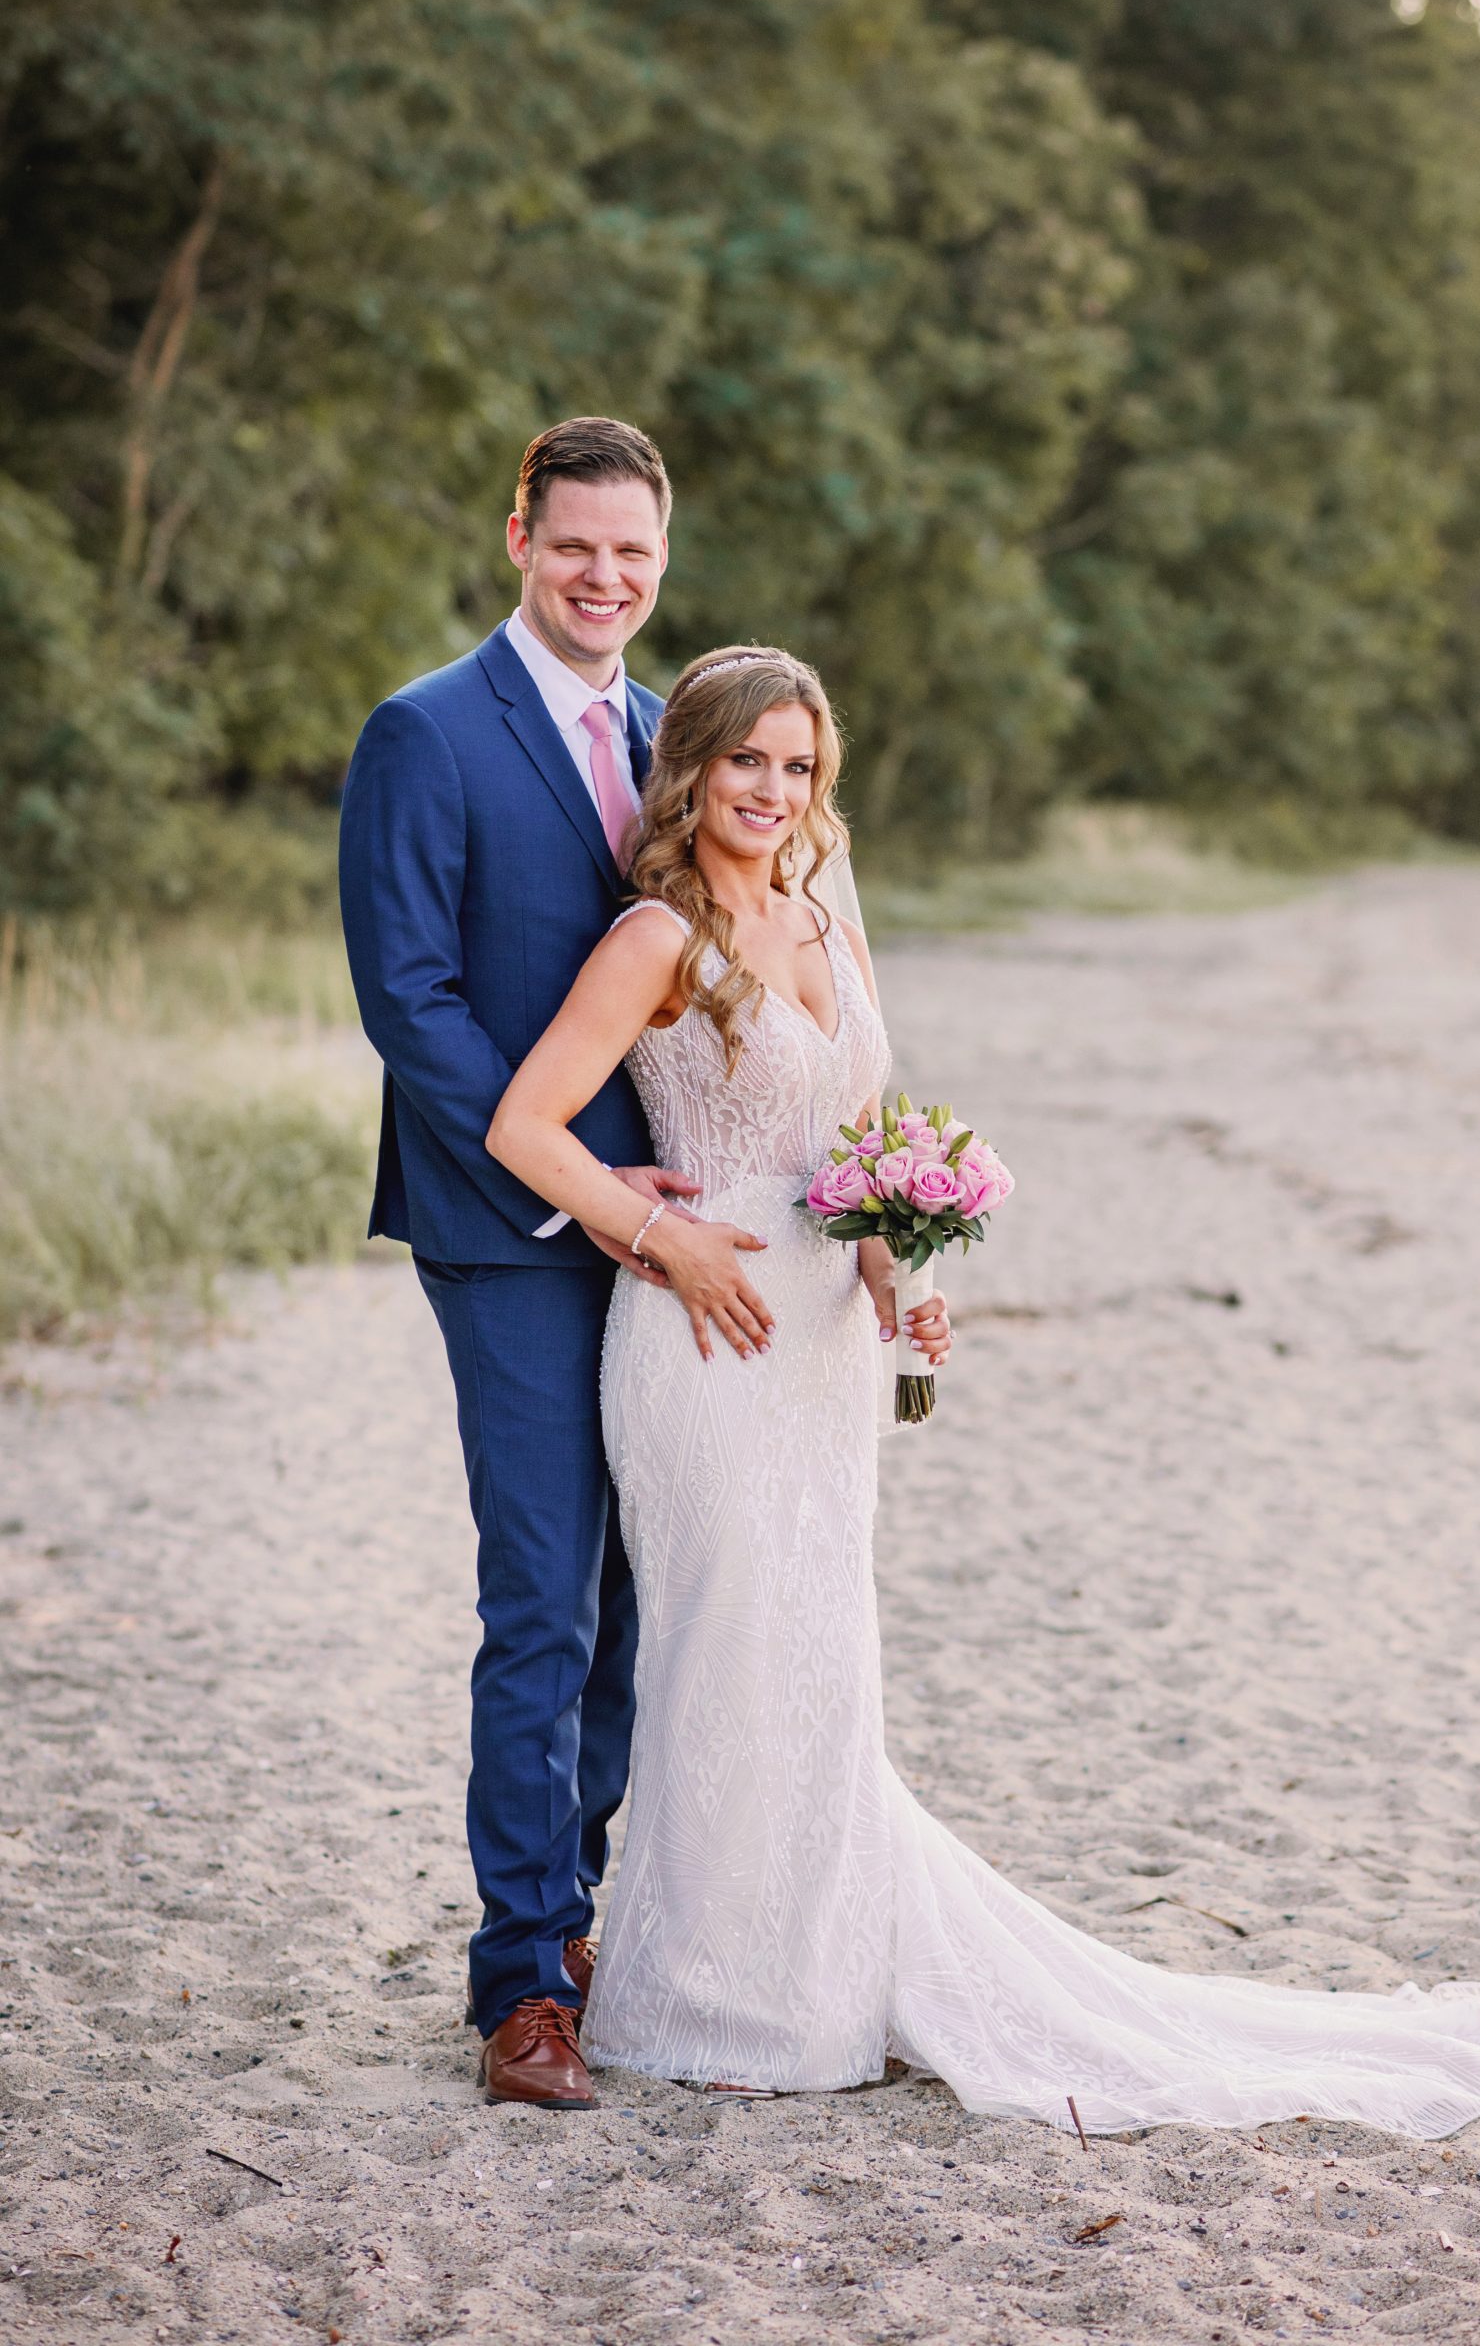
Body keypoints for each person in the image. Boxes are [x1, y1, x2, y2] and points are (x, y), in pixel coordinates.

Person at [486, 648, 1480, 2136]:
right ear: (690, 769)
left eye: (799, 766)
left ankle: (802, 1975)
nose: (772, 791)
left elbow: (856, 1137)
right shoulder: (653, 939)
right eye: (745, 762)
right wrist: (662, 1235)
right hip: (701, 1339)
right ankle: (708, 1996)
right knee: (721, 1641)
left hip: (821, 1339)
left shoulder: (823, 922)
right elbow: (524, 1125)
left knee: (816, 1651)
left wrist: (902, 1273)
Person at [339, 419, 948, 2109]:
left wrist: (880, 1247)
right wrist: (615, 1201)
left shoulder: (678, 733)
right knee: (543, 1599)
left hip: (715, 1231)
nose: (605, 578)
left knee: (649, 1603)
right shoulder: (428, 734)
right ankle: (522, 1981)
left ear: (659, 565)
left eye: (635, 556)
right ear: (520, 535)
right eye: (576, 547)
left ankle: (610, 1922)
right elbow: (413, 1003)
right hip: (523, 1225)